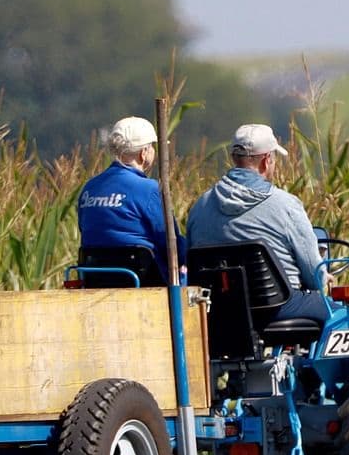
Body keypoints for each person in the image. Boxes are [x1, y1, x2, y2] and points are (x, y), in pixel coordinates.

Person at [186, 123, 329, 323]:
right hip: (278, 307)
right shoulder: (286, 205)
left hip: (221, 312)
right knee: (343, 313)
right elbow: (314, 277)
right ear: (267, 160)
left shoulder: (200, 207)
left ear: (233, 158)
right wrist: (324, 280)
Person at [77, 116, 185, 284]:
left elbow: (85, 230)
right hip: (143, 281)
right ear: (144, 153)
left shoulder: (89, 187)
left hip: (94, 280)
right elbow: (171, 244)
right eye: (152, 147)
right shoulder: (149, 189)